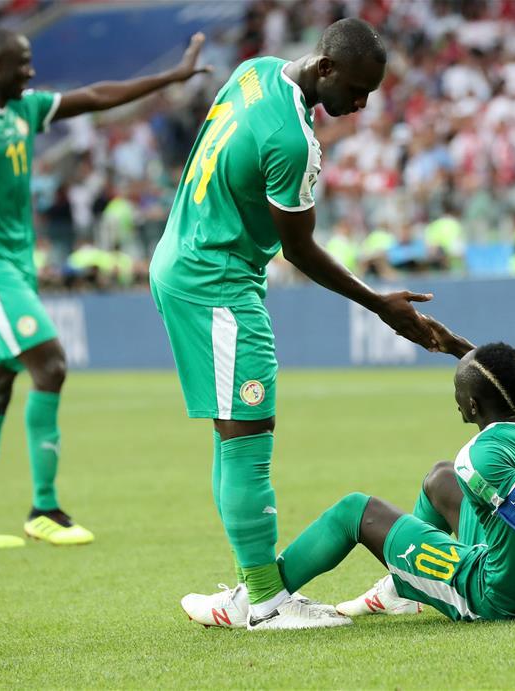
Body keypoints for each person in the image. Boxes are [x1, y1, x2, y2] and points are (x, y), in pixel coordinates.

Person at [149, 18, 445, 631]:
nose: (361, 106)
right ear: (326, 68)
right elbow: (300, 251)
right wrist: (381, 305)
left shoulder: (254, 71)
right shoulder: (294, 142)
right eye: (357, 91)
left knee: (234, 434)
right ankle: (264, 603)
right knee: (249, 436)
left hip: (189, 257)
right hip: (218, 282)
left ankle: (254, 594)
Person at [0, 28, 211, 550]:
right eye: (21, 64)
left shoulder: (22, 110)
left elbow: (96, 96)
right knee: (50, 363)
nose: (30, 73)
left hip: (16, 267)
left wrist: (172, 76)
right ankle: (44, 508)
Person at [227, 331, 515, 626]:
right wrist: (457, 346)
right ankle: (403, 590)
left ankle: (263, 605)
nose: (454, 398)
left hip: (504, 597)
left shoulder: (481, 455)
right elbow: (514, 379)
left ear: (473, 406)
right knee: (439, 480)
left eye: (458, 389)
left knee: (355, 511)